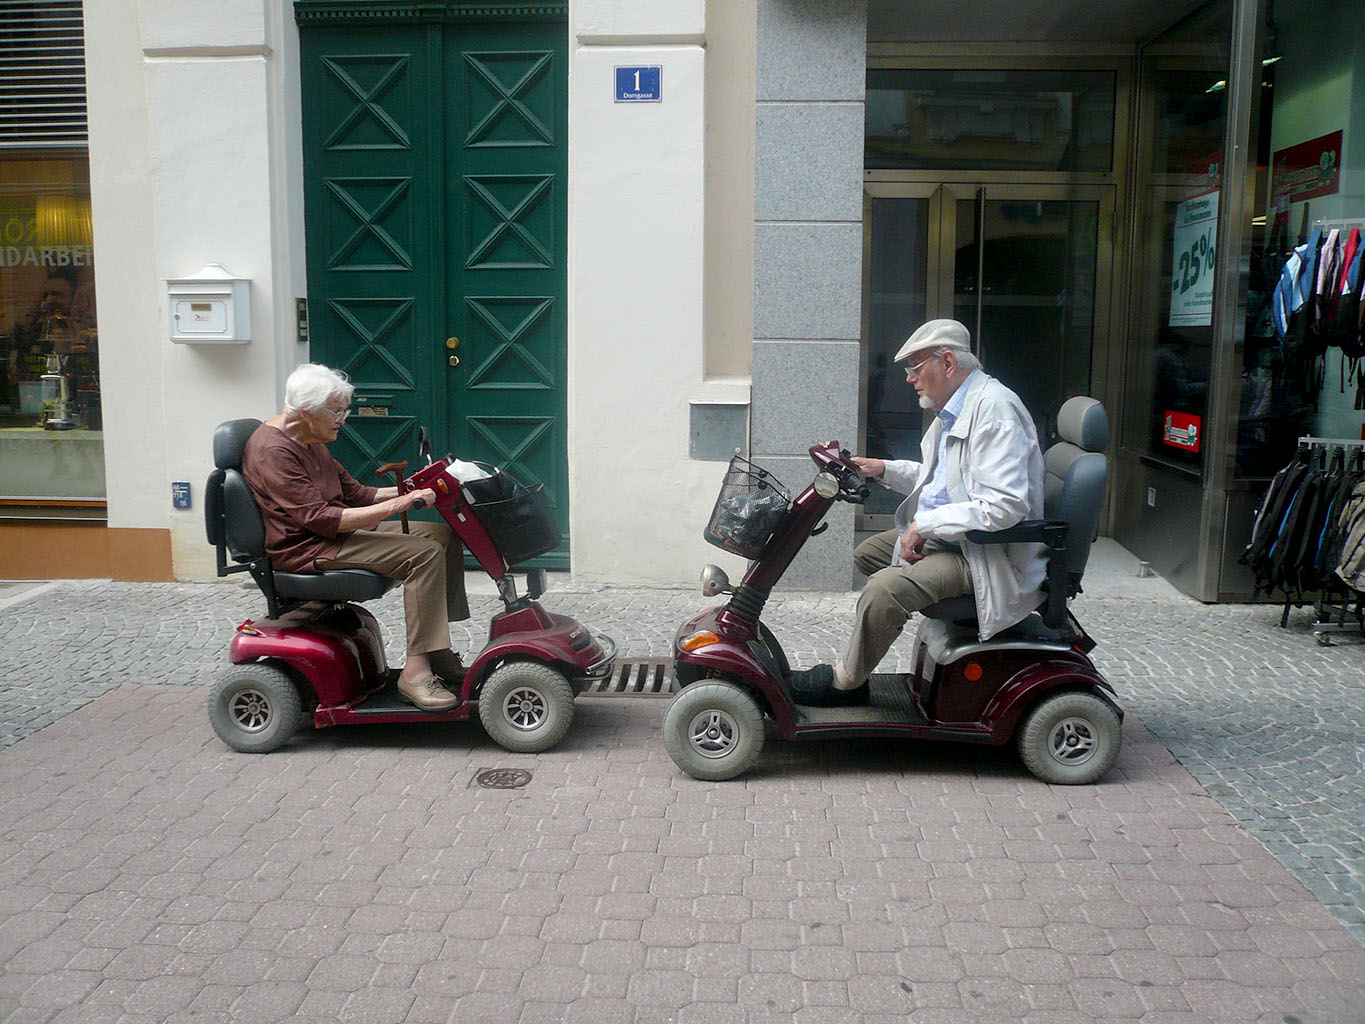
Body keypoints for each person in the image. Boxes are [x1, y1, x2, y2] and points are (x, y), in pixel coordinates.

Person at [788, 319, 1046, 707]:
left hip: (986, 554)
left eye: (914, 366)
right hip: (961, 539)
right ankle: (897, 609)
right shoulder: (954, 412)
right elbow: (940, 482)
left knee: (882, 589)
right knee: (868, 554)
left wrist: (924, 525)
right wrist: (882, 469)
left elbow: (1005, 506)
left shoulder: (994, 411)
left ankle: (848, 683)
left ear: (946, 362)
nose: (909, 378)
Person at [242, 364, 471, 711]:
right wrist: (400, 504)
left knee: (442, 535)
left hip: (333, 533)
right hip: (308, 547)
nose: (342, 418)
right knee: (423, 554)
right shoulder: (274, 451)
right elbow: (321, 520)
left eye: (343, 410)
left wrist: (412, 489)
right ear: (306, 411)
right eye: (335, 411)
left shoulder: (308, 435)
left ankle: (436, 648)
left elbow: (355, 492)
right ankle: (415, 672)